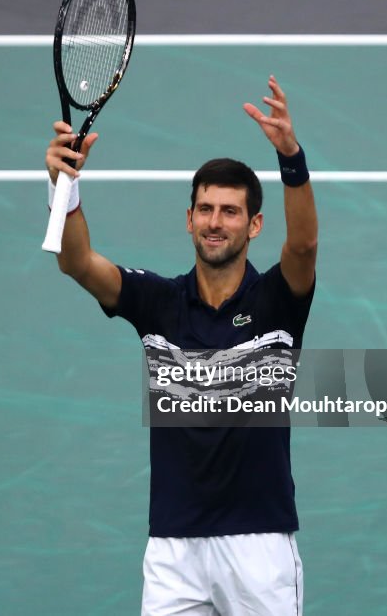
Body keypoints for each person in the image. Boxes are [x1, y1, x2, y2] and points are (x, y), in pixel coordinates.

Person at [44, 75, 318, 615]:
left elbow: (304, 244)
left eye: (230, 211)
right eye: (206, 210)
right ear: (189, 218)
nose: (216, 222)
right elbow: (76, 263)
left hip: (258, 545)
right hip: (174, 548)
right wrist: (64, 187)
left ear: (254, 224)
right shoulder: (157, 302)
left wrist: (291, 156)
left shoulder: (278, 304)